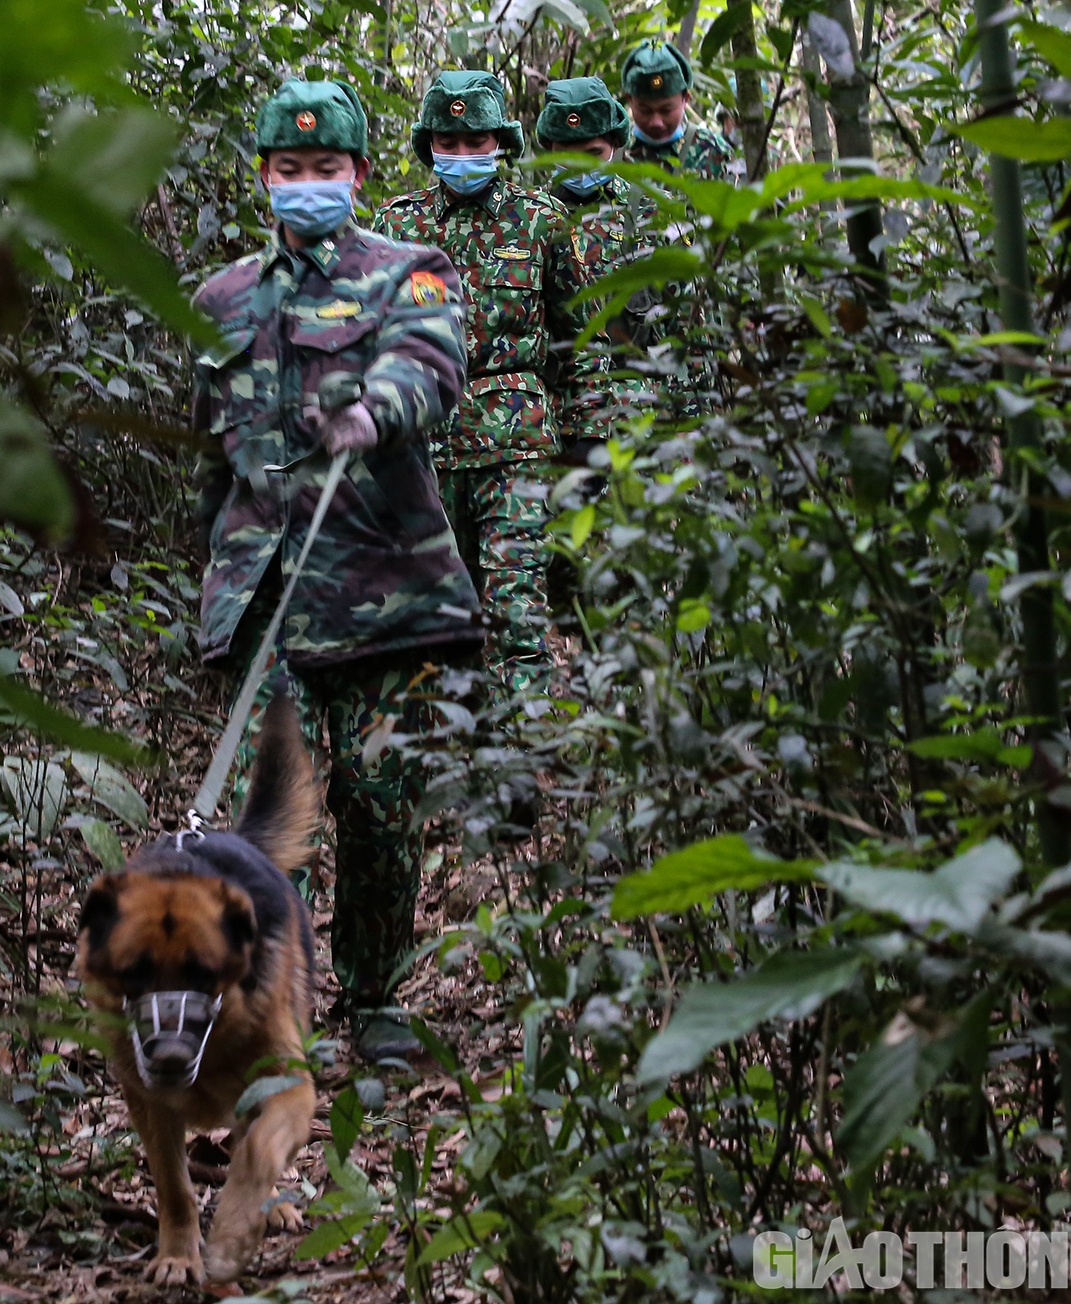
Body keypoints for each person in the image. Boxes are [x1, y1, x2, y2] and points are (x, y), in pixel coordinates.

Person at [189, 78, 481, 1061]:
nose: (307, 182)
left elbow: (430, 367)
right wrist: (212, 591)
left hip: (386, 598)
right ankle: (280, 1006)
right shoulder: (220, 300)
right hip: (269, 602)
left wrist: (372, 410)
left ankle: (376, 991)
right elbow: (211, 460)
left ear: (358, 173)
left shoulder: (410, 273)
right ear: (264, 175)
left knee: (381, 801)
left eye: (325, 167)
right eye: (290, 168)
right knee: (278, 810)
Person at [371, 70, 604, 703]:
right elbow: (375, 339)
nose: (463, 154)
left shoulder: (543, 222)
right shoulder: (397, 226)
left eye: (477, 141)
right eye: (448, 142)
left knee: (516, 613)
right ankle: (450, 742)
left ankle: (521, 750)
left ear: (501, 142)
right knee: (432, 620)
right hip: (423, 453)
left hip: (517, 451)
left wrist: (587, 439)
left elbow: (580, 340)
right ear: (429, 146)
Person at [536, 76, 658, 414]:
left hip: (638, 411)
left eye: (593, 153)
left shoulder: (650, 213)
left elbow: (684, 329)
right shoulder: (531, 217)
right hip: (557, 413)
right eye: (567, 155)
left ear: (615, 143)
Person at [621, 40, 740, 182]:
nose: (656, 122)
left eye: (666, 110)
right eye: (645, 111)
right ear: (630, 100)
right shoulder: (613, 150)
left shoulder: (715, 152)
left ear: (685, 100)